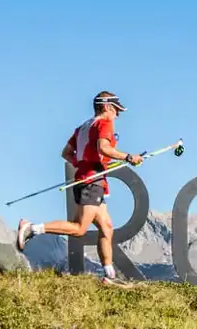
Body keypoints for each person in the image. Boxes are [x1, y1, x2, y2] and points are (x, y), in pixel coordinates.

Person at [15, 91, 143, 285]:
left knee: (106, 227)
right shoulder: (104, 123)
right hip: (92, 182)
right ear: (107, 107)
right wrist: (128, 157)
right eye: (116, 110)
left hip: (87, 179)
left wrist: (83, 164)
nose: (117, 115)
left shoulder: (83, 127)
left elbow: (66, 153)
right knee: (79, 228)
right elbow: (103, 148)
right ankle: (32, 228)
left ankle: (109, 276)